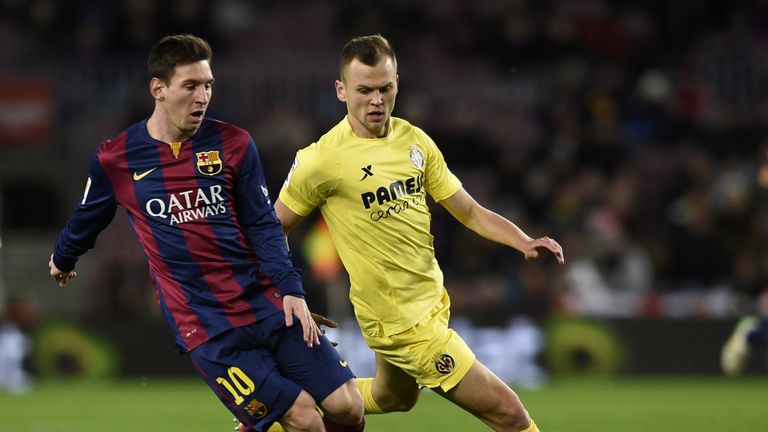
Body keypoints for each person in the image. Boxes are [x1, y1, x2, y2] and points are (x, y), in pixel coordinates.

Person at [48, 34, 364, 432]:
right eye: (191, 86)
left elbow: (262, 223)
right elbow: (88, 215)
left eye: (208, 85)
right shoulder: (118, 157)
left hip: (265, 302)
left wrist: (291, 289)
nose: (202, 96)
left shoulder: (234, 143)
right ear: (158, 89)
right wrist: (63, 258)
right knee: (304, 418)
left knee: (348, 407)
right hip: (207, 325)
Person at [275, 34, 564, 432]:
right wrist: (285, 293)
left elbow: (469, 210)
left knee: (393, 398)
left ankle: (288, 405)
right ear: (341, 91)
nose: (376, 100)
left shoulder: (414, 141)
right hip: (401, 322)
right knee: (511, 414)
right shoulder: (320, 160)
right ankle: (282, 404)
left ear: (397, 84)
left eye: (385, 88)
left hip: (428, 302)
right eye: (364, 90)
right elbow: (270, 231)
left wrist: (521, 239)